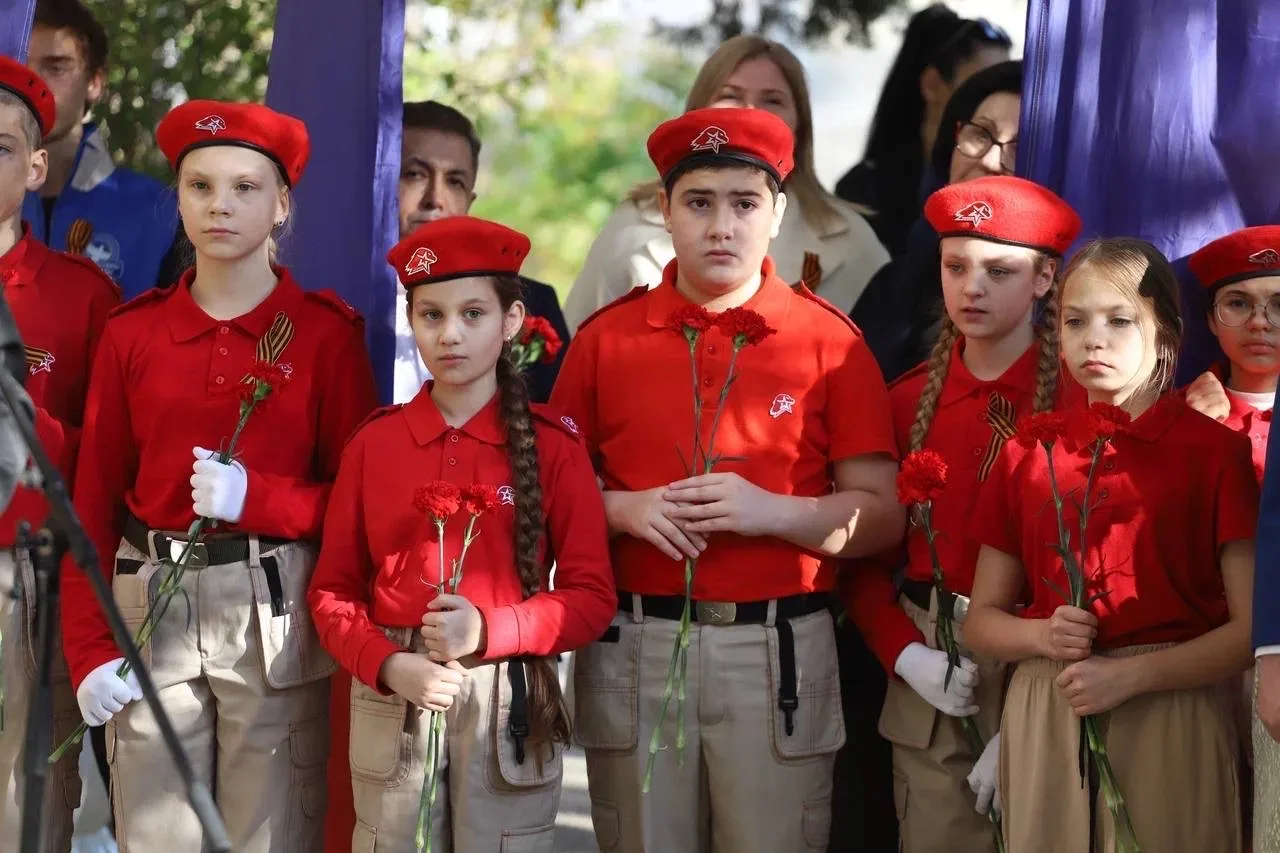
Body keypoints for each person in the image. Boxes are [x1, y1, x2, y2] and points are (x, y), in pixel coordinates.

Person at [552, 105, 904, 853]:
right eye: (699, 202)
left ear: (777, 213)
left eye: (744, 203)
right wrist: (621, 509)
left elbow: (882, 515)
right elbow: (546, 498)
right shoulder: (604, 342)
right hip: (636, 644)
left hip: (776, 651)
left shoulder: (831, 343)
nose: (722, 226)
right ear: (664, 211)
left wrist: (770, 511)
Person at [58, 99, 379, 852]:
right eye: (199, 186)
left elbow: (360, 506)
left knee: (269, 835)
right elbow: (91, 505)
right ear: (178, 200)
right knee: (154, 836)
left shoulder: (325, 336)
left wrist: (258, 498)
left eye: (244, 187)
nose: (219, 206)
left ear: (282, 205)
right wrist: (90, 649)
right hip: (150, 610)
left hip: (270, 613)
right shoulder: (133, 333)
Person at [309, 215, 615, 850]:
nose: (449, 334)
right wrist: (388, 664)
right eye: (431, 315)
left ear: (511, 320)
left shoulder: (555, 449)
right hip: (395, 693)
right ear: (411, 322)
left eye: (473, 314)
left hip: (507, 693)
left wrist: (490, 630)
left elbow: (591, 598)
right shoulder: (373, 445)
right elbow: (332, 592)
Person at [965, 237, 1255, 852]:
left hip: (1171, 707)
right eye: (1075, 321)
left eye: (1119, 321)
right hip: (1051, 704)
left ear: (1165, 334)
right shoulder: (1027, 453)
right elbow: (981, 622)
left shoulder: (1215, 453)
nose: (1094, 339)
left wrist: (1134, 675)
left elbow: (1250, 630)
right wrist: (1040, 637)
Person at [843, 175, 1080, 853]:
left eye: (999, 271)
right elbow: (860, 559)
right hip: (934, 655)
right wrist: (905, 652)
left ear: (1044, 279)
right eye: (956, 267)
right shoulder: (902, 402)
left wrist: (1033, 711)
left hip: (1049, 653)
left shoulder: (1079, 399)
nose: (971, 287)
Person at [563, 34, 889, 327]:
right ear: (698, 108)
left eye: (772, 100)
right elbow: (578, 346)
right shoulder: (632, 225)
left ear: (800, 124)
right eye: (730, 95)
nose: (750, 112)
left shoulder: (851, 239)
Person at [0, 55, 120, 853]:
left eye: (0, 146)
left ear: (37, 167)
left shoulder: (82, 296)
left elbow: (107, 467)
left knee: (26, 810)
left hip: (30, 579)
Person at [1186, 226, 1280, 849]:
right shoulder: (1181, 415)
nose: (1261, 322)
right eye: (1238, 303)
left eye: (1279, 304)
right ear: (1211, 320)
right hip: (1207, 652)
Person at [852, 59, 1022, 382]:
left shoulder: (1067, 307)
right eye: (980, 134)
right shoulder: (893, 286)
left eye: (1020, 147)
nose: (990, 161)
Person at [393, 101, 569, 405]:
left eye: (455, 182)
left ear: (470, 199)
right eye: (414, 174)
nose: (435, 198)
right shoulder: (348, 303)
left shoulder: (535, 303)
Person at [23, 0, 179, 298]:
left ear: (95, 82)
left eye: (55, 67)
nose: (33, 83)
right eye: (20, 64)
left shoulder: (160, 211)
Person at [834, 5, 1012, 257]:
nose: (999, 102)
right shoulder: (863, 192)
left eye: (1008, 88)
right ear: (932, 84)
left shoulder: (1011, 180)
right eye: (983, 88)